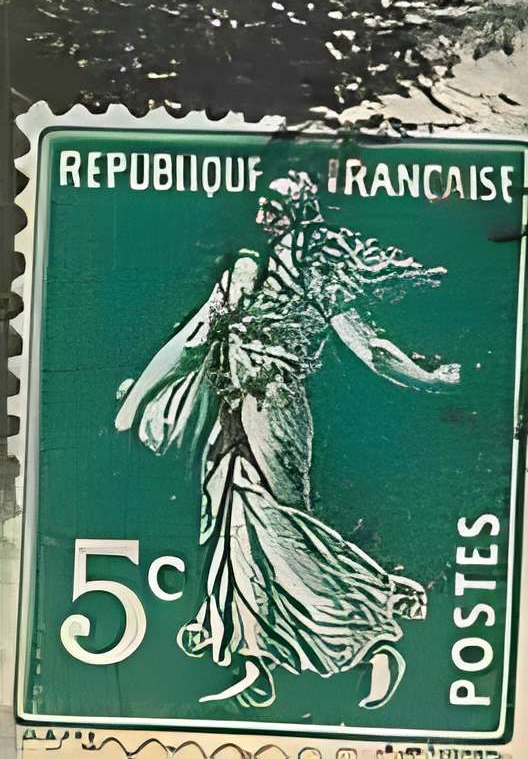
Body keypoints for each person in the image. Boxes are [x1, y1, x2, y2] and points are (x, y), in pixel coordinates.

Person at [112, 173, 459, 714]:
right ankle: (254, 664)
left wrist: (431, 379)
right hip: (241, 413)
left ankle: (371, 633)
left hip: (269, 412)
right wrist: (140, 399)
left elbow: (371, 349)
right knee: (238, 524)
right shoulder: (279, 276)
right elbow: (195, 342)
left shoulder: (283, 276)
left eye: (273, 207)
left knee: (273, 526)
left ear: (295, 213)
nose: (261, 217)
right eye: (262, 205)